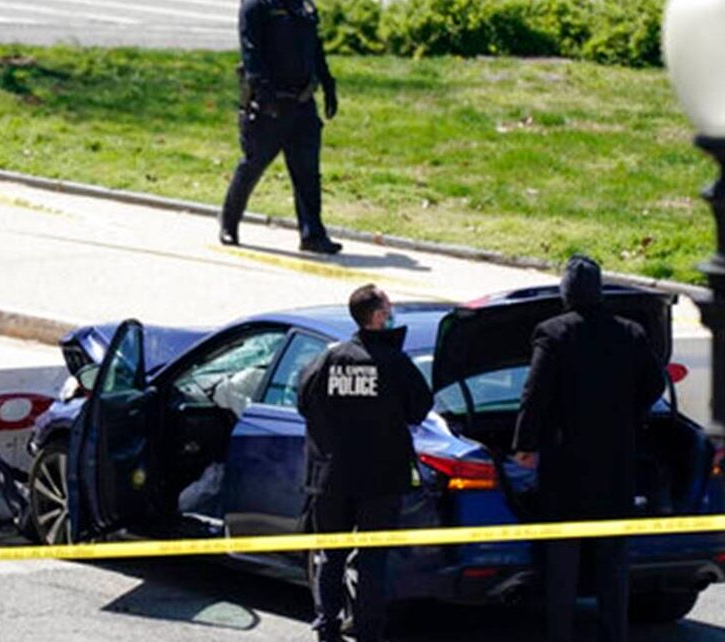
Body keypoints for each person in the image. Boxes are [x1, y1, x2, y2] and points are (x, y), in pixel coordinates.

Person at [512, 255, 666, 642]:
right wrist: (628, 416)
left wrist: (524, 445)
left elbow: (535, 394)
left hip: (566, 469)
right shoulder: (629, 333)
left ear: (566, 292)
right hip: (615, 464)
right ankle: (614, 634)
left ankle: (560, 634)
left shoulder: (553, 333)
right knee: (613, 565)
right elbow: (654, 384)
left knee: (562, 566)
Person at [297, 284, 434, 642]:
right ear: (376, 316)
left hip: (330, 479)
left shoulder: (327, 359)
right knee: (373, 560)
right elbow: (420, 406)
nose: (392, 312)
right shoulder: (393, 363)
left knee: (331, 555)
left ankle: (327, 625)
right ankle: (368, 629)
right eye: (388, 307)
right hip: (379, 479)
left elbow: (302, 400)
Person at [220, 0, 343, 255]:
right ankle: (229, 223)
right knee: (252, 165)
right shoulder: (256, 5)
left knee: (308, 172)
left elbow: (315, 48)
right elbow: (251, 53)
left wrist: (328, 84)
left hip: (302, 102)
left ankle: (312, 234)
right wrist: (264, 94)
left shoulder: (302, 6)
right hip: (269, 106)